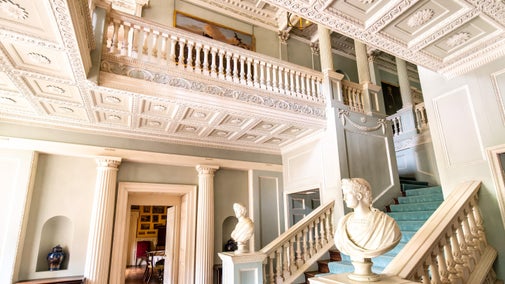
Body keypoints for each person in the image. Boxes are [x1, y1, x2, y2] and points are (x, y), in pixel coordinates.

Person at [334, 178, 401, 280]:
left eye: (347, 194)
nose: (344, 198)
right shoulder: (343, 222)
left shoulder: (386, 224)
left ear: (359, 196)